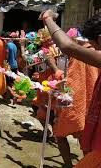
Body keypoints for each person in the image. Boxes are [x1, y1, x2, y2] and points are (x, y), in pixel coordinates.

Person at [40, 10, 101, 168]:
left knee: (60, 134)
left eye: (92, 44)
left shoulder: (86, 54)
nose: (91, 48)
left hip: (79, 105)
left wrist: (47, 18)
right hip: (88, 107)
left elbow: (67, 46)